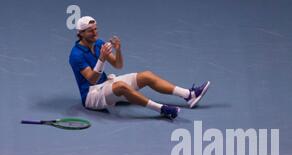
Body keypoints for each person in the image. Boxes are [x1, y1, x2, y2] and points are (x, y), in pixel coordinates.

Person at [69, 16, 210, 119]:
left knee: (146, 75)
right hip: (91, 95)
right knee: (121, 87)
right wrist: (101, 59)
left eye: (95, 29)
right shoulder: (76, 55)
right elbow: (92, 80)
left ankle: (189, 95)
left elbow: (118, 65)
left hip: (105, 85)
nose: (95, 33)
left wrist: (118, 50)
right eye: (90, 31)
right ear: (80, 33)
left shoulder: (99, 43)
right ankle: (162, 109)